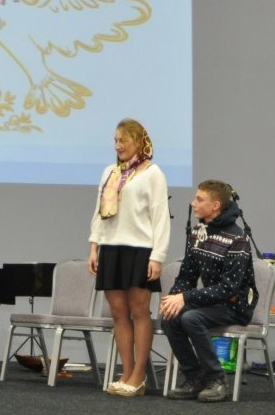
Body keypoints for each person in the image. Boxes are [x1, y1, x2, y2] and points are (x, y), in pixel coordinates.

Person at [88, 118, 170, 397]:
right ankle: (126, 372)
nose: (118, 145)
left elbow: (160, 217)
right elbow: (99, 212)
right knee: (118, 313)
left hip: (140, 249)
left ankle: (139, 375)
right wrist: (94, 246)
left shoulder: (153, 173)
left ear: (138, 141)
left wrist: (157, 256)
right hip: (111, 247)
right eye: (115, 140)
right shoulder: (110, 172)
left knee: (139, 311)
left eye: (123, 140)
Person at [161, 180, 257, 402]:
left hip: (235, 304)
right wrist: (174, 298)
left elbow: (228, 288)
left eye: (199, 199)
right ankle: (194, 378)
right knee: (170, 317)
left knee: (191, 318)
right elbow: (187, 275)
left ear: (215, 206)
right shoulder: (198, 232)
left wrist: (185, 297)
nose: (192, 203)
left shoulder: (237, 239)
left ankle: (217, 379)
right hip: (211, 303)